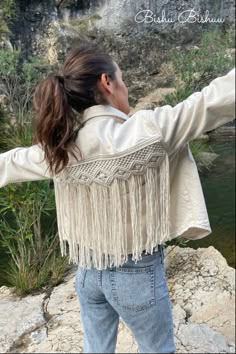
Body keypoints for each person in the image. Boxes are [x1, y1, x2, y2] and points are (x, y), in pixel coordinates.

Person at [0, 42, 235, 354]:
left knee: (96, 349)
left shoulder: (61, 149)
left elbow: (10, 162)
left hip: (88, 271)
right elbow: (210, 102)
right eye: (122, 79)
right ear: (106, 82)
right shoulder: (149, 129)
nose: (126, 87)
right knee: (158, 349)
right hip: (137, 274)